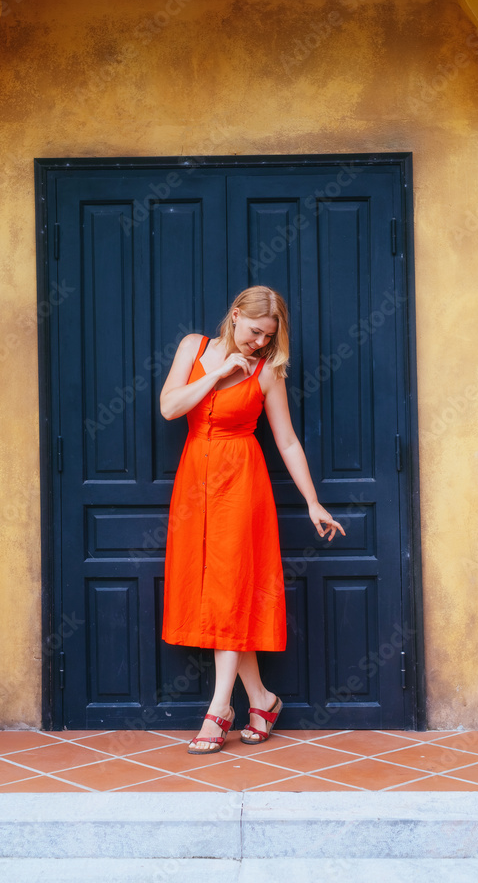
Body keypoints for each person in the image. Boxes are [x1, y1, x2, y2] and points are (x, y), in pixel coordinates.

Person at [159, 286, 345, 754]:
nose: (259, 343)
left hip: (241, 484)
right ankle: (262, 699)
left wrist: (313, 501)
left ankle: (218, 709)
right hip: (194, 485)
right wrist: (220, 372)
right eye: (256, 332)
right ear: (236, 315)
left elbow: (286, 441)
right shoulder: (193, 348)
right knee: (217, 591)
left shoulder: (268, 373)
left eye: (268, 337)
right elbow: (169, 407)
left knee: (230, 589)